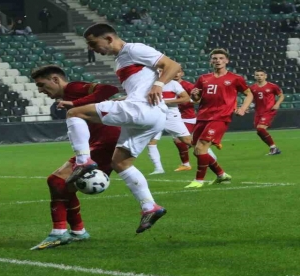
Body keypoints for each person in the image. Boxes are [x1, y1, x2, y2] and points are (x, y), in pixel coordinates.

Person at [64, 23, 181, 233]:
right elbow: (142, 83)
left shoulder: (134, 49)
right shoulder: (120, 61)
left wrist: (159, 85)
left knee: (74, 113)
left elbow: (172, 65)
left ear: (109, 38)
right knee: (120, 163)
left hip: (143, 109)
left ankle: (83, 161)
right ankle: (149, 207)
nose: (91, 48)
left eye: (93, 43)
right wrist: (127, 97)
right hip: (151, 115)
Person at [29, 65, 120, 250]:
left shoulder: (74, 88)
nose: (40, 90)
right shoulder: (67, 96)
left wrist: (76, 104)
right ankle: (78, 232)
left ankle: (59, 233)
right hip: (101, 143)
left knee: (56, 181)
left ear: (55, 79)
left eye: (41, 84)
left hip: (105, 143)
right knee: (65, 186)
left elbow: (110, 89)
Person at [185, 48, 253, 189]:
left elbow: (249, 94)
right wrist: (194, 95)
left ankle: (199, 180)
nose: (218, 61)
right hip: (203, 116)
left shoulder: (235, 78)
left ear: (227, 60)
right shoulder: (203, 78)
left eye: (221, 58)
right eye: (215, 58)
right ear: (211, 61)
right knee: (197, 151)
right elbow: (196, 99)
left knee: (201, 147)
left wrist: (242, 108)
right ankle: (221, 175)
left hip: (221, 116)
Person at [145, 70, 194, 175]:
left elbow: (186, 98)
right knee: (151, 143)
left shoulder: (173, 84)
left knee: (187, 140)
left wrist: (165, 102)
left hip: (171, 116)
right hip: (155, 116)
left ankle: (210, 158)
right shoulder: (149, 84)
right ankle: (158, 169)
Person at [250, 69, 284, 156]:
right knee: (259, 131)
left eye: (261, 75)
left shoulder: (272, 86)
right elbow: (250, 99)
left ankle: (274, 147)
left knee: (261, 128)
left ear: (265, 76)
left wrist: (277, 104)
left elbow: (281, 96)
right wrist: (246, 107)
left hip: (269, 111)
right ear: (254, 76)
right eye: (257, 75)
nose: (259, 77)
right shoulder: (252, 88)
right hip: (258, 112)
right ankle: (273, 148)